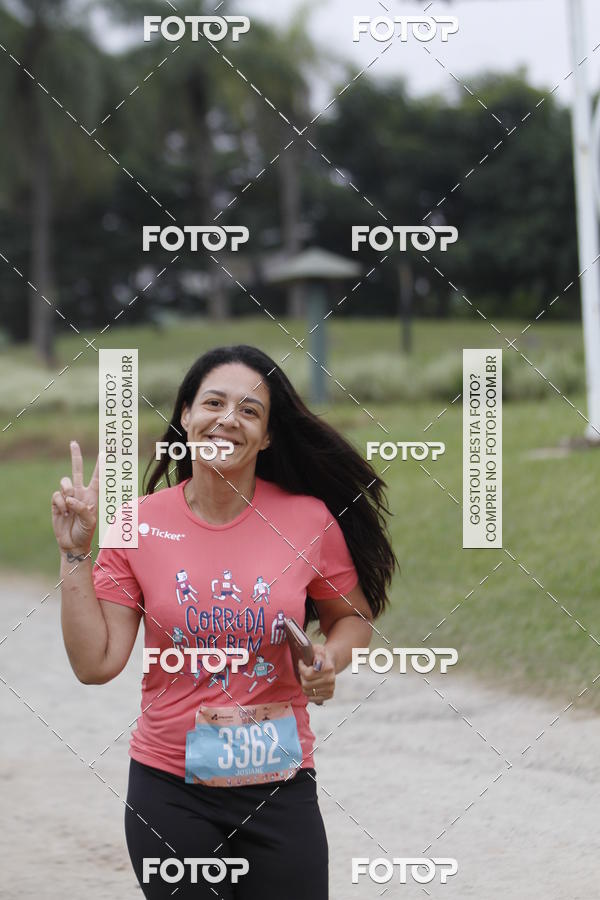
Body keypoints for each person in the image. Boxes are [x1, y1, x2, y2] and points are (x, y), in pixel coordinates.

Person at [51, 344, 397, 899]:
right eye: (213, 402)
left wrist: (330, 658)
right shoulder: (136, 522)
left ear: (267, 437)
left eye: (251, 411)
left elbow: (352, 617)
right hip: (170, 790)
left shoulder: (306, 519)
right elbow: (96, 663)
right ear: (186, 415)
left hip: (279, 785)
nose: (228, 420)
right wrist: (74, 555)